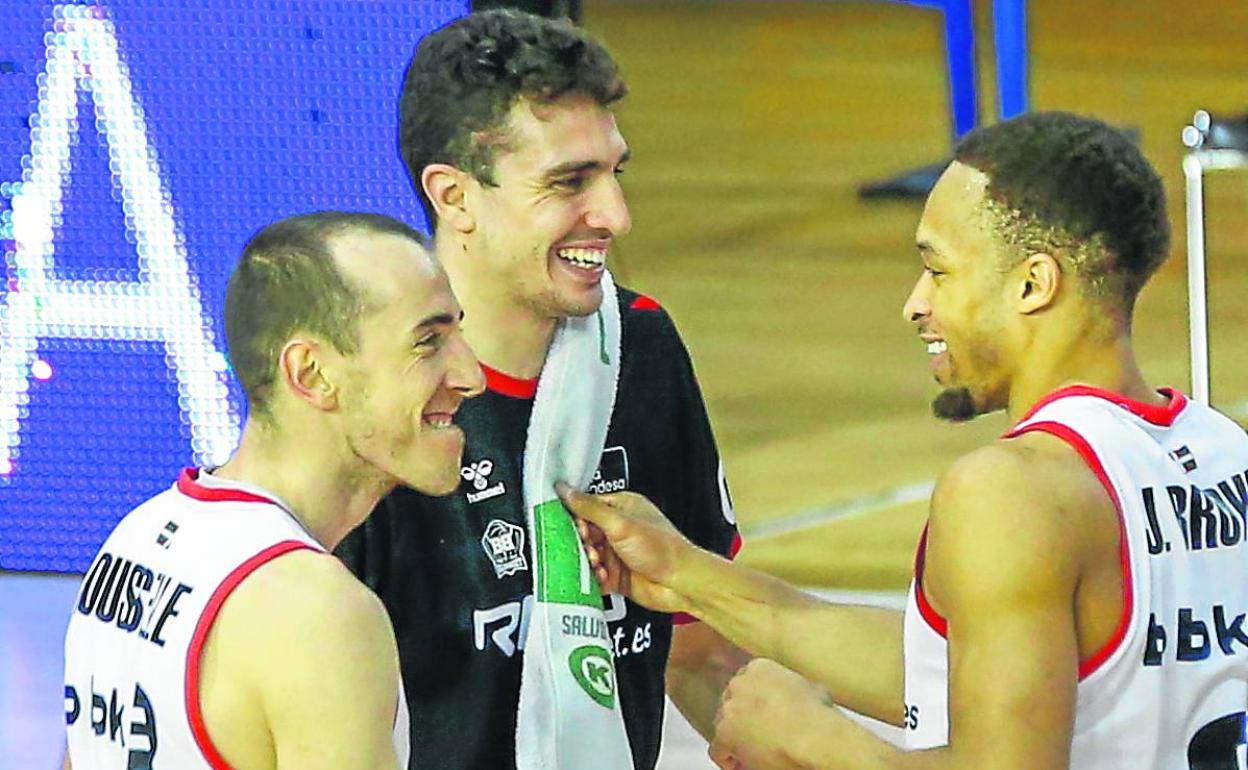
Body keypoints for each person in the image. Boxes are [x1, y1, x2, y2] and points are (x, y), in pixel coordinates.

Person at [561, 111, 1248, 770]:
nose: (916, 303)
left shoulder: (1013, 491)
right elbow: (969, 665)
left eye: (939, 271)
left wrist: (813, 743)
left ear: (1033, 284)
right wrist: (686, 574)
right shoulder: (1222, 450)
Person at [334, 9, 746, 770]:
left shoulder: (642, 349)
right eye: (569, 183)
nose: (615, 217)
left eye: (615, 173)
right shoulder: (362, 403)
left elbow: (701, 651)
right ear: (454, 196)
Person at [62, 212, 484, 770]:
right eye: (428, 342)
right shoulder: (317, 612)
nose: (471, 376)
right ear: (311, 374)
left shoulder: (134, 538)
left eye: (458, 334)